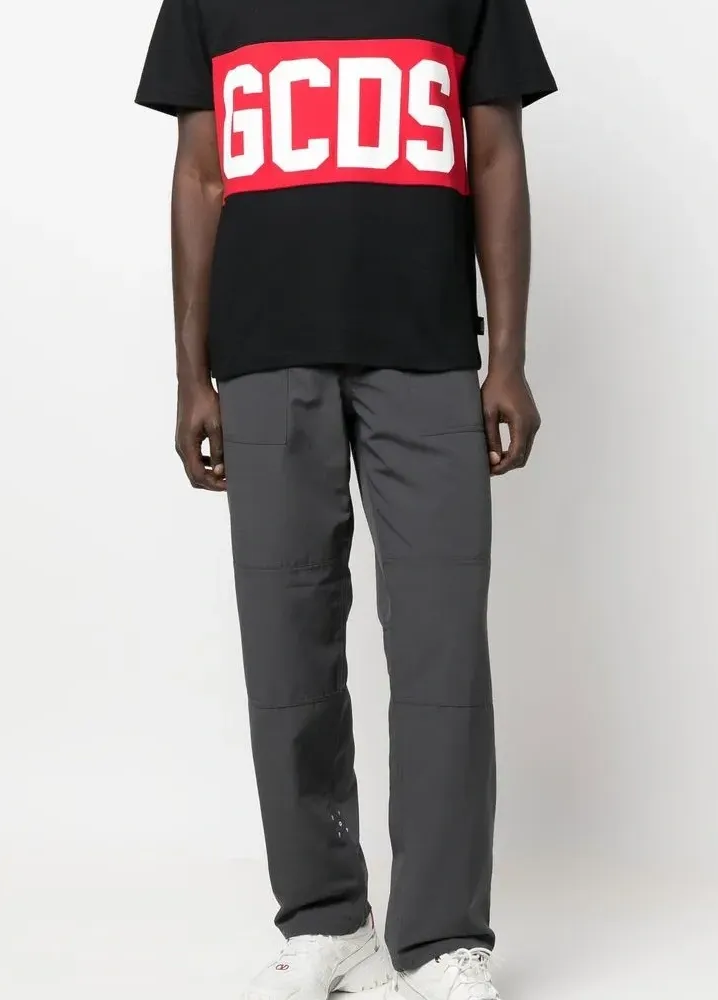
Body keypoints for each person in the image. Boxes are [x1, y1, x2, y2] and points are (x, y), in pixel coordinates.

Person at [135, 0, 555, 995]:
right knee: (287, 647)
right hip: (263, 352)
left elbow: (496, 155)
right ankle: (327, 916)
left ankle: (442, 938)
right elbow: (200, 175)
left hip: (427, 351)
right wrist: (192, 373)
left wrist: (507, 359)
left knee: (442, 649)